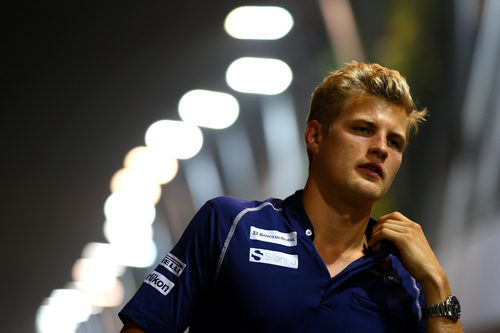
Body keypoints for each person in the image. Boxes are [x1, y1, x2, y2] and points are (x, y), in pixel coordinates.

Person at [119, 62, 463, 332]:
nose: (380, 149)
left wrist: (436, 281)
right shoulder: (227, 226)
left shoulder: (406, 282)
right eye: (363, 129)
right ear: (315, 136)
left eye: (395, 142)